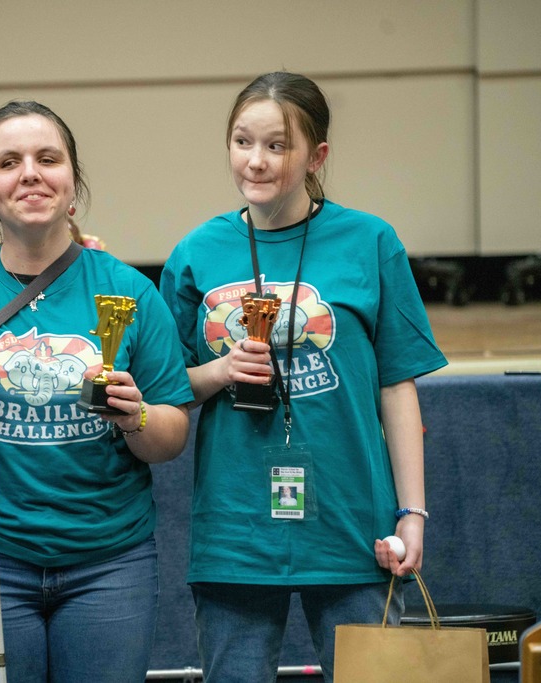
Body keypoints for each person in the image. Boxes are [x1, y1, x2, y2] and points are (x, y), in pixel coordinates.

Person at [0, 100, 193, 683]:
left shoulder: (130, 291)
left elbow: (170, 437)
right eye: (8, 162)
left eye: (47, 158)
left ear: (72, 182)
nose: (29, 172)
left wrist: (135, 417)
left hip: (111, 562)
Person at [159, 71, 447, 683]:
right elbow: (168, 392)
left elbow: (397, 386)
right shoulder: (195, 253)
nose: (255, 162)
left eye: (276, 146)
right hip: (236, 530)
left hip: (351, 521)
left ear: (317, 155)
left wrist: (412, 512)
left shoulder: (369, 241)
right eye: (242, 142)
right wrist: (219, 370)